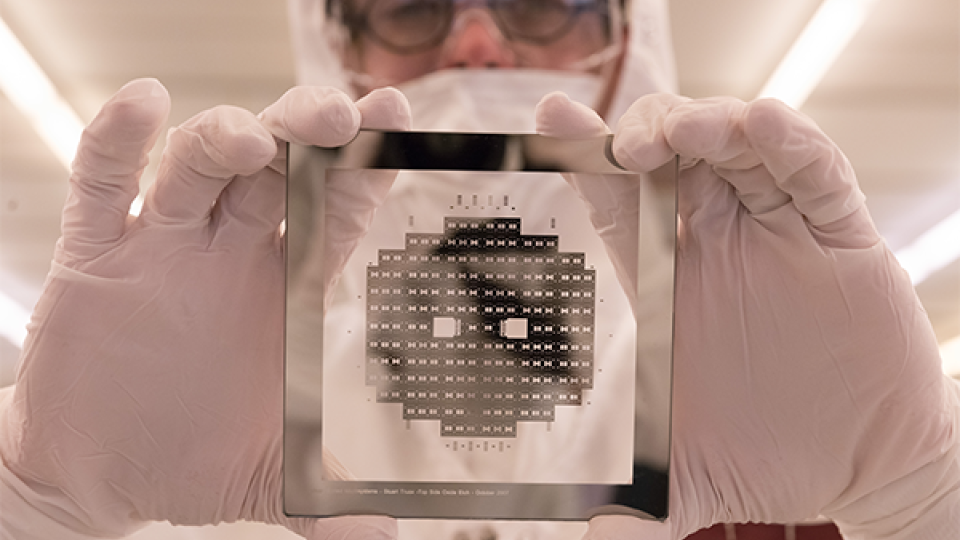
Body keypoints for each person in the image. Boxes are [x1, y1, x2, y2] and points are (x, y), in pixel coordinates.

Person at [1, 0, 958, 539]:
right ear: (337, 51)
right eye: (412, 7)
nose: (474, 42)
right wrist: (36, 499)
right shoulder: (193, 415)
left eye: (540, 2)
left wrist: (918, 496)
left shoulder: (780, 379)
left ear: (631, 44)